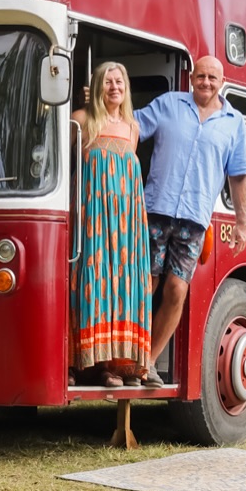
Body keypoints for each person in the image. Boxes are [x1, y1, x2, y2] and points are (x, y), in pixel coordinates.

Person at [135, 54, 246, 388]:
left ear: (222, 82)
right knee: (146, 284)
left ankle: (148, 363)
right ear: (191, 78)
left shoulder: (234, 122)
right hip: (155, 210)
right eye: (201, 76)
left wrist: (242, 223)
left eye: (212, 78)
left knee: (176, 289)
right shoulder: (168, 104)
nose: (206, 83)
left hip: (194, 220)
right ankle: (126, 354)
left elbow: (239, 176)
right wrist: (98, 107)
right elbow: (132, 127)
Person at [70, 61, 152, 393]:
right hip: (93, 217)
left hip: (125, 220)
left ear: (126, 88)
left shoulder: (133, 128)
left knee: (122, 284)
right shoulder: (82, 120)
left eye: (119, 81)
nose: (114, 87)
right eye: (107, 82)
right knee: (92, 281)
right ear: (96, 87)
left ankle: (117, 362)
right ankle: (86, 363)